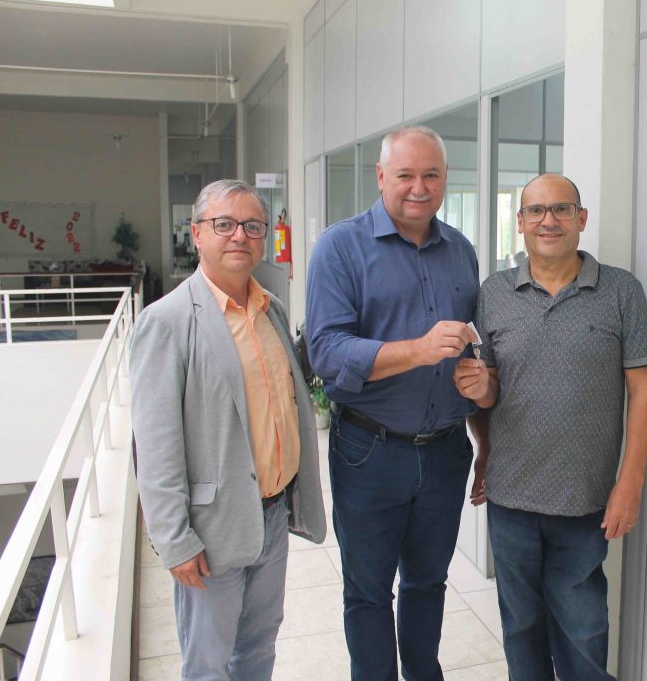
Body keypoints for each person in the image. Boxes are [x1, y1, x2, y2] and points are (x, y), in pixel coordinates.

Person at [454, 174, 647, 681]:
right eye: (537, 211)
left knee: (583, 633)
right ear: (520, 222)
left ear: (581, 219)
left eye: (562, 209)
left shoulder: (621, 291)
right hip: (510, 498)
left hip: (584, 500)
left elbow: (644, 391)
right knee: (521, 628)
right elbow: (490, 392)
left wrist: (629, 483)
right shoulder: (495, 293)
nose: (549, 220)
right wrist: (482, 441)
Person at [305, 126, 487, 681]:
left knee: (429, 583)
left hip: (446, 451)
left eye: (431, 175)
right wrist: (418, 350)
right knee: (367, 593)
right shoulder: (340, 247)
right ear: (381, 176)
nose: (419, 187)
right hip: (370, 450)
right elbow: (325, 352)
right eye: (405, 175)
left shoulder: (461, 250)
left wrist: (485, 441)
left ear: (445, 178)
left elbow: (474, 357)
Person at [131, 179, 327, 680]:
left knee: (258, 648)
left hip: (272, 515)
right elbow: (155, 446)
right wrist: (175, 541)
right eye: (224, 224)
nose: (239, 235)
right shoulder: (167, 321)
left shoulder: (271, 310)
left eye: (252, 226)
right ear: (197, 233)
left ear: (264, 238)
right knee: (209, 663)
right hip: (211, 529)